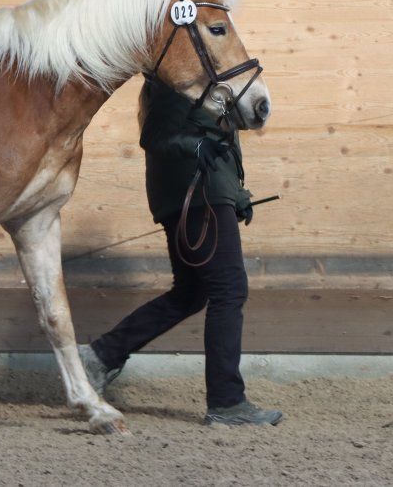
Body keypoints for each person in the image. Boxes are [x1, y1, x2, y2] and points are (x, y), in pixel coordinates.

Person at [79, 78, 282, 426]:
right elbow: (155, 138)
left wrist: (238, 196)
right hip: (197, 198)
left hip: (204, 196)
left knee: (190, 294)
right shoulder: (173, 85)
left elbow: (222, 149)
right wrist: (197, 147)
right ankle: (227, 402)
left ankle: (101, 355)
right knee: (229, 290)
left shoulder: (205, 87)